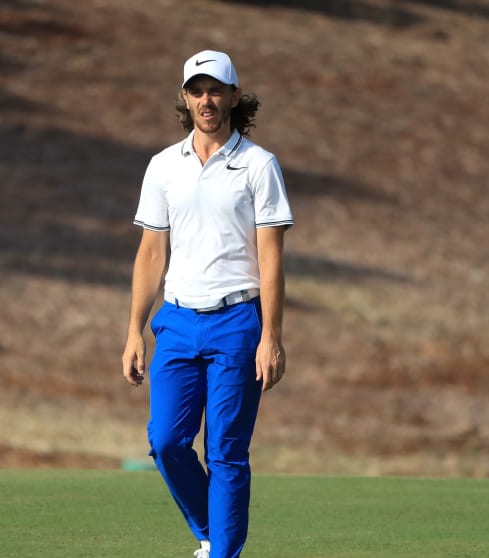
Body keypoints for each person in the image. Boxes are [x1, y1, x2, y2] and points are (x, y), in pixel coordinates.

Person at [121, 49, 293, 558]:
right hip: (175, 320)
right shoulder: (162, 166)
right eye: (196, 90)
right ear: (184, 99)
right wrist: (134, 330)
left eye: (216, 89)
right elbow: (152, 252)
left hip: (238, 320)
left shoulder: (259, 166)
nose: (206, 100)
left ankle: (223, 554)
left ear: (235, 97)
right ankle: (212, 535)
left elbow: (272, 258)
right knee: (167, 443)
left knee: (226, 453)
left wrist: (271, 336)